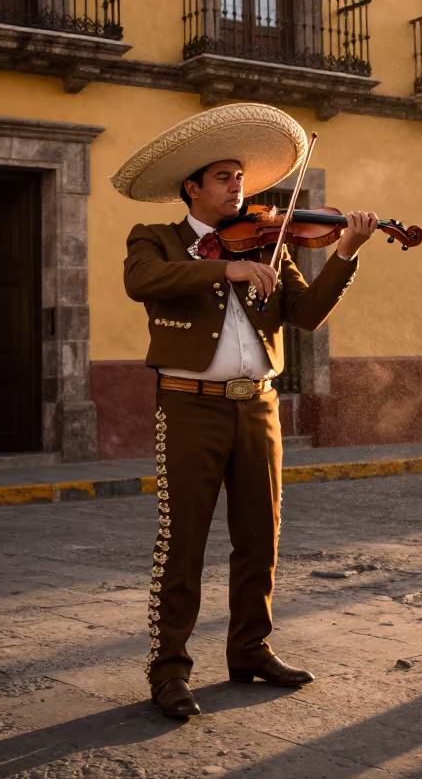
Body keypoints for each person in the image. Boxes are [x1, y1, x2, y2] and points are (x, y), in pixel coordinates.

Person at [110, 103, 378, 719]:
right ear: (193, 187)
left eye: (240, 177)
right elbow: (142, 281)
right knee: (184, 542)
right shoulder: (157, 240)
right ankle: (170, 669)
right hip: (188, 407)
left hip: (258, 407)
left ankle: (250, 649)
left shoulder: (272, 242)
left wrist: (347, 253)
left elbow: (306, 316)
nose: (239, 187)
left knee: (261, 537)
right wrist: (224, 266)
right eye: (226, 177)